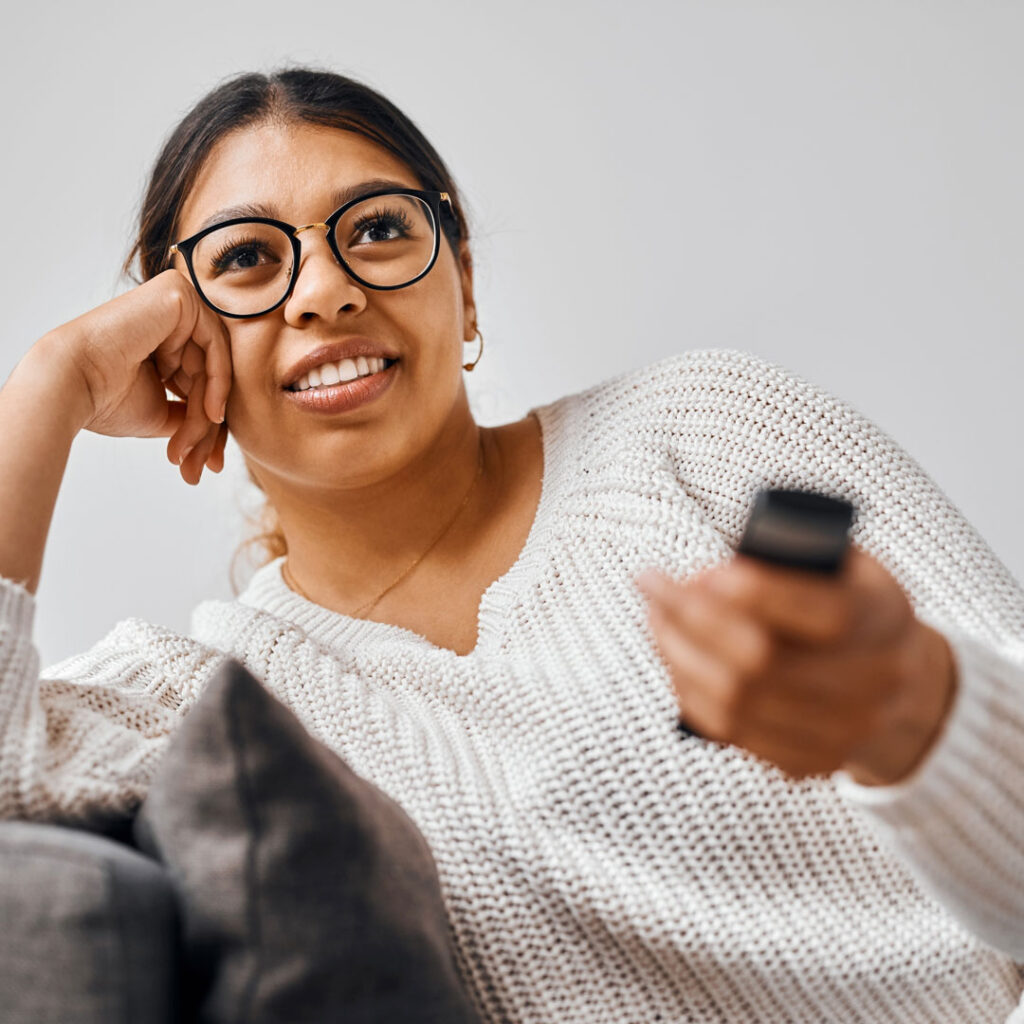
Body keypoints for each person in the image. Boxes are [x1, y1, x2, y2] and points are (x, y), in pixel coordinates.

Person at [1, 66, 1022, 1022]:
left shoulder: (701, 429)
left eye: (380, 228)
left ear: (466, 283)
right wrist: (52, 384)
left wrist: (915, 710)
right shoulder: (211, 703)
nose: (324, 291)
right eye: (246, 259)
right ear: (177, 340)